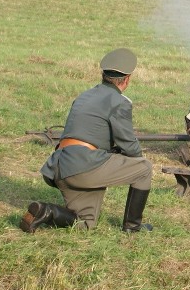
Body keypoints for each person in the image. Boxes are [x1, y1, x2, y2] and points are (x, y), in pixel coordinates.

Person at [21, 48, 154, 234]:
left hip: (60, 167)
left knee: (84, 224)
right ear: (127, 79)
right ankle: (133, 227)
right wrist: (133, 160)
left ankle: (46, 211)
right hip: (84, 166)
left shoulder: (84, 96)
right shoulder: (119, 101)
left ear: (103, 75)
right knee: (144, 169)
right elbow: (129, 146)